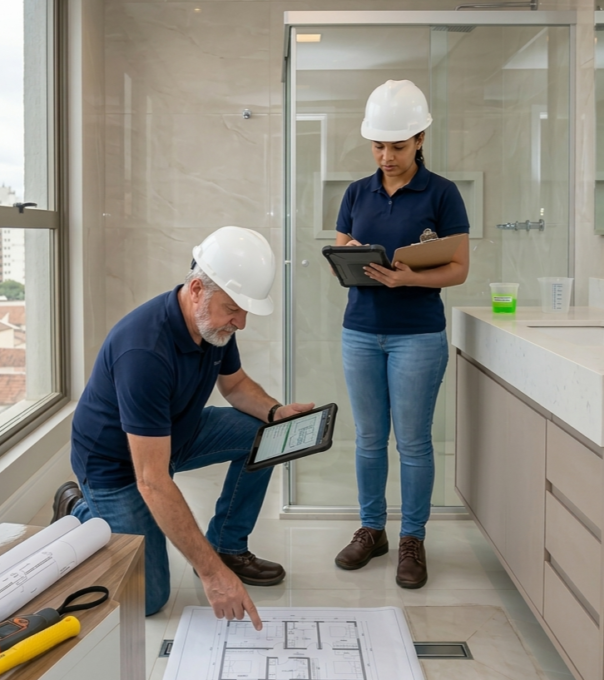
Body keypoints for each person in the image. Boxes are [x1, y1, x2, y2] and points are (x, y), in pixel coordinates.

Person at [53, 226, 313, 627]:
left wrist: (276, 414)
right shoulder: (143, 352)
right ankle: (80, 507)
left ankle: (226, 545)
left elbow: (237, 386)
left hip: (175, 433)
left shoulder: (214, 324)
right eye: (234, 309)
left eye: (244, 311)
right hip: (117, 468)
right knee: (149, 599)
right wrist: (212, 576)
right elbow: (152, 480)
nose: (240, 322)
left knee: (267, 438)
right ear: (196, 289)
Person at [333, 80, 469, 589]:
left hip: (417, 335)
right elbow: (338, 256)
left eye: (396, 145)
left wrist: (411, 277)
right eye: (378, 146)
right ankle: (372, 531)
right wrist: (352, 255)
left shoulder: (443, 193)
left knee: (412, 443)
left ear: (419, 139)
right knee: (368, 440)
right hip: (361, 331)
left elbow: (458, 268)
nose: (386, 156)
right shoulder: (356, 192)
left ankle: (412, 538)